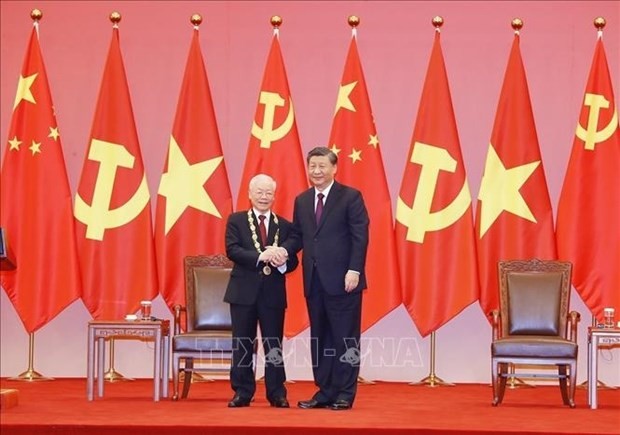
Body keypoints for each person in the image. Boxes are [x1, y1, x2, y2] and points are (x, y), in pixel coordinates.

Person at [277, 146, 369, 411]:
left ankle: (344, 393)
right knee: (321, 338)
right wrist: (283, 250)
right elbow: (298, 236)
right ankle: (325, 390)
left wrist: (355, 270)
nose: (316, 171)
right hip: (314, 281)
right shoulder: (302, 200)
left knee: (345, 339)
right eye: (312, 166)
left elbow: (360, 237)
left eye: (322, 166)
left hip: (344, 281)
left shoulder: (350, 197)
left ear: (334, 168)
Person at [224, 173, 298, 408]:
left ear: (274, 196)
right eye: (260, 192)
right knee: (242, 342)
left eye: (269, 193)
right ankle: (242, 391)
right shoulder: (236, 220)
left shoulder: (284, 225)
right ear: (250, 194)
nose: (264, 197)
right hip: (242, 292)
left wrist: (282, 262)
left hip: (273, 294)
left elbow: (294, 261)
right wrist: (260, 256)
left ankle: (277, 392)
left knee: (273, 344)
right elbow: (232, 250)